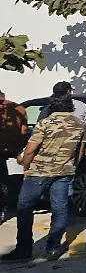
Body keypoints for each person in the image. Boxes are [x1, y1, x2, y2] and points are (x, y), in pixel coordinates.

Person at [1, 94, 84, 262]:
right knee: (60, 209)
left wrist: (25, 165)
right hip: (64, 171)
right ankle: (52, 248)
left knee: (24, 206)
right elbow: (80, 149)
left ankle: (24, 249)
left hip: (39, 171)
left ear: (51, 106)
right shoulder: (79, 124)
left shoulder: (45, 124)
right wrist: (72, 165)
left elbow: (31, 149)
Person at [42, 81, 86, 159]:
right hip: (74, 145)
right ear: (69, 92)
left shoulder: (49, 106)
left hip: (51, 145)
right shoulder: (81, 106)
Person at [0, 89, 28, 225]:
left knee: (3, 180)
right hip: (15, 149)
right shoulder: (19, 108)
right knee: (17, 179)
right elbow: (24, 130)